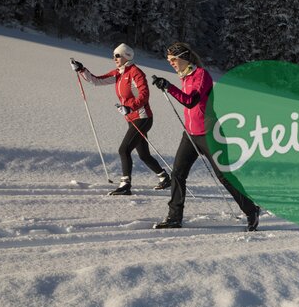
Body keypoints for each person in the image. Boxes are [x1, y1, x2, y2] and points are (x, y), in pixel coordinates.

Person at [150, 42, 261, 231]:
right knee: (177, 174)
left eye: (173, 59)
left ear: (184, 57)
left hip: (210, 134)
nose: (171, 63)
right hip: (190, 134)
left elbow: (191, 101)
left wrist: (169, 87)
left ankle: (251, 211)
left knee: (224, 176)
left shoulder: (201, 75)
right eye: (168, 61)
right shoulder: (185, 77)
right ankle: (174, 217)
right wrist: (168, 86)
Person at [71, 44, 171, 195]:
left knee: (124, 149)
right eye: (114, 55)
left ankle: (125, 184)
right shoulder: (119, 73)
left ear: (127, 56)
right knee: (144, 154)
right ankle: (164, 178)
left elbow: (144, 95)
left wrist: (131, 107)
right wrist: (81, 69)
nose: (114, 58)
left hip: (142, 117)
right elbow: (97, 81)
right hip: (131, 118)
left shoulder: (135, 72)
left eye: (117, 55)